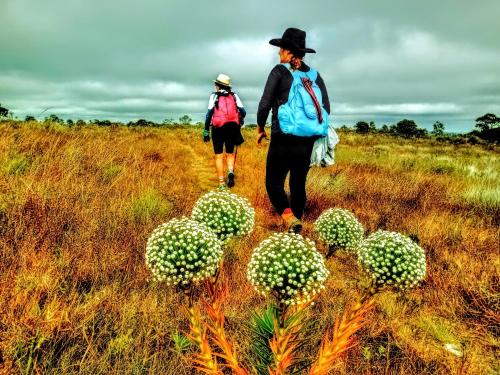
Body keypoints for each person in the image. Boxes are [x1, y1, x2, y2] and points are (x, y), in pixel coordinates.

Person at [257, 28, 331, 233]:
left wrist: (261, 127)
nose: (278, 53)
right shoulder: (315, 76)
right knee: (298, 184)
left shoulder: (279, 72)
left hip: (283, 136)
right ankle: (296, 227)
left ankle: (289, 218)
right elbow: (326, 109)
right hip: (306, 140)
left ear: (287, 51)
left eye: (280, 49)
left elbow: (264, 104)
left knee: (273, 183)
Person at [203, 73, 246, 190]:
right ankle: (230, 171)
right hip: (232, 127)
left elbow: (209, 115)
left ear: (217, 85)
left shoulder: (214, 96)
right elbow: (243, 111)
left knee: (218, 155)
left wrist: (206, 131)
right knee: (230, 153)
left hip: (218, 128)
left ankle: (222, 183)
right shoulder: (234, 95)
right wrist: (240, 121)